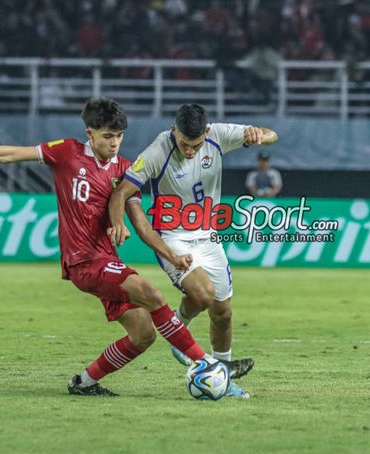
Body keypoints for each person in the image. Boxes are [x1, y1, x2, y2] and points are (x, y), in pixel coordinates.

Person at [0, 97, 253, 397]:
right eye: (107, 136)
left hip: (106, 262)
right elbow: (13, 153)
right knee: (152, 293)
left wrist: (170, 254)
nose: (114, 143)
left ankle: (84, 382)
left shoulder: (126, 170)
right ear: (90, 133)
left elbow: (140, 223)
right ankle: (208, 364)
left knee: (143, 335)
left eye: (119, 136)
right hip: (83, 261)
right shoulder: (65, 152)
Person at [108, 103, 277, 398]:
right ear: (174, 131)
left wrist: (257, 134)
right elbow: (121, 191)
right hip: (173, 238)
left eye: (195, 145)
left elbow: (271, 134)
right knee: (202, 294)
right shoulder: (158, 151)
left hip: (209, 238)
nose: (189, 151)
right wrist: (118, 222)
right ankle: (178, 331)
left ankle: (223, 376)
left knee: (223, 313)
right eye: (185, 144)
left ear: (207, 133)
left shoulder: (218, 135)